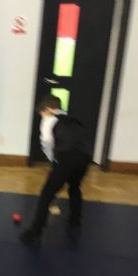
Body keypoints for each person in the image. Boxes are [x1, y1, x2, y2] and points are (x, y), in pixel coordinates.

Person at [20, 94, 91, 246]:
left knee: (47, 194)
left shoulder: (49, 120)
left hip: (66, 158)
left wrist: (54, 161)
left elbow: (46, 144)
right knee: (74, 187)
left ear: (48, 109)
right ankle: (75, 224)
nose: (41, 115)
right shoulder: (73, 119)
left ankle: (35, 232)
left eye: (42, 112)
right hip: (84, 159)